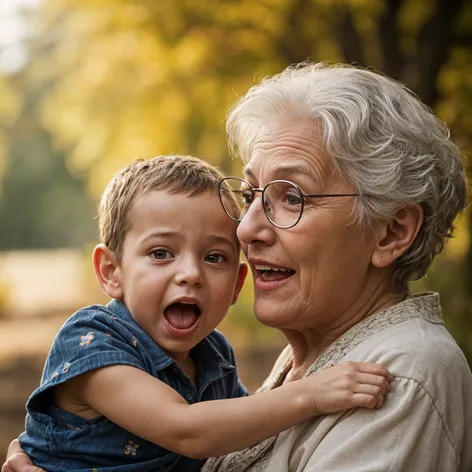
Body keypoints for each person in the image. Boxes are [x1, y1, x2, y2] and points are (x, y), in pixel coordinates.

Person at [4, 61, 472, 471]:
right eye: (251, 196)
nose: (246, 230)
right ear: (110, 270)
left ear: (390, 232)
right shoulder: (304, 364)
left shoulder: (401, 377)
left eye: (291, 197)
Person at [2, 154, 393, 472]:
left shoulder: (213, 355)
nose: (190, 274)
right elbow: (187, 431)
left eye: (214, 257)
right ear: (112, 272)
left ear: (238, 284)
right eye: (160, 253)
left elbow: (244, 430)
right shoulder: (91, 343)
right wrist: (310, 394)